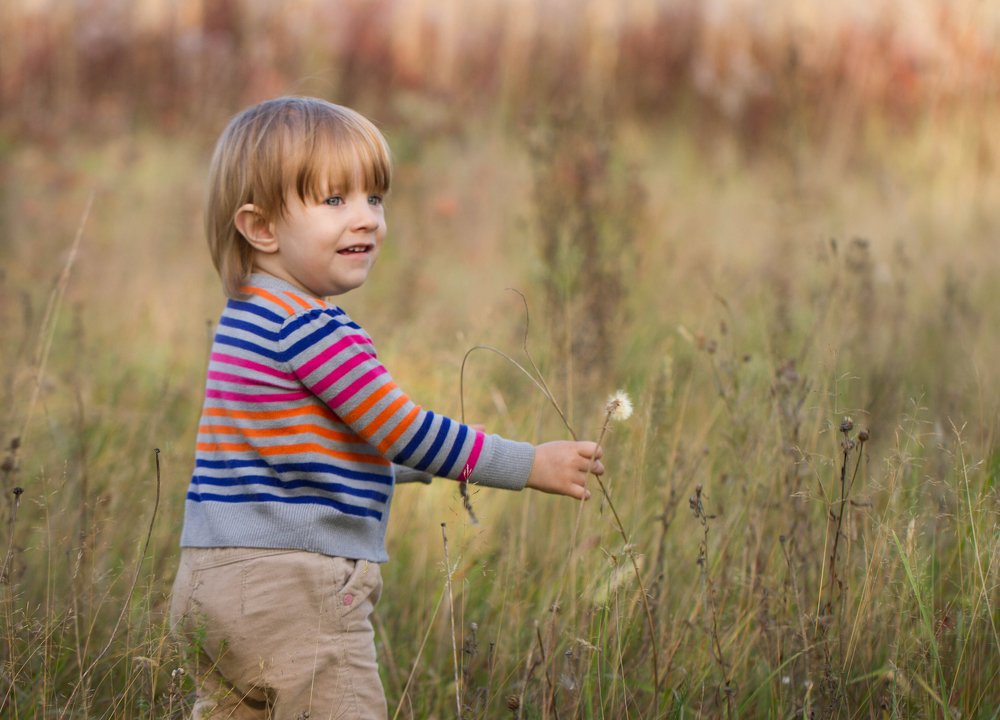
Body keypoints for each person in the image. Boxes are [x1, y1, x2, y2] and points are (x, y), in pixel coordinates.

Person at [169, 96, 605, 720]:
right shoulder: (315, 327)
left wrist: (404, 467)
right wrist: (528, 463)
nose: (367, 219)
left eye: (374, 198)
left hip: (208, 581)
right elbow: (404, 430)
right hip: (295, 589)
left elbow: (300, 450)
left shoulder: (245, 320)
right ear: (260, 227)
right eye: (334, 201)